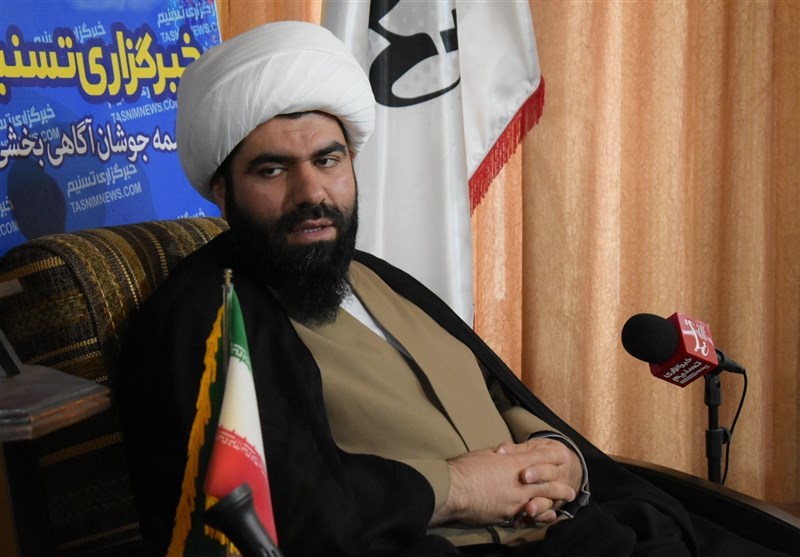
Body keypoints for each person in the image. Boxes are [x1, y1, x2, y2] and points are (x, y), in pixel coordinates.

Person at [116, 21, 794, 557]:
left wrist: (559, 459)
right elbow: (281, 509)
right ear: (221, 190)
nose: (311, 192)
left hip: (578, 527)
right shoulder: (206, 316)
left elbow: (497, 394)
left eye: (328, 159)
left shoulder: (378, 277)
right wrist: (459, 488)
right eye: (272, 170)